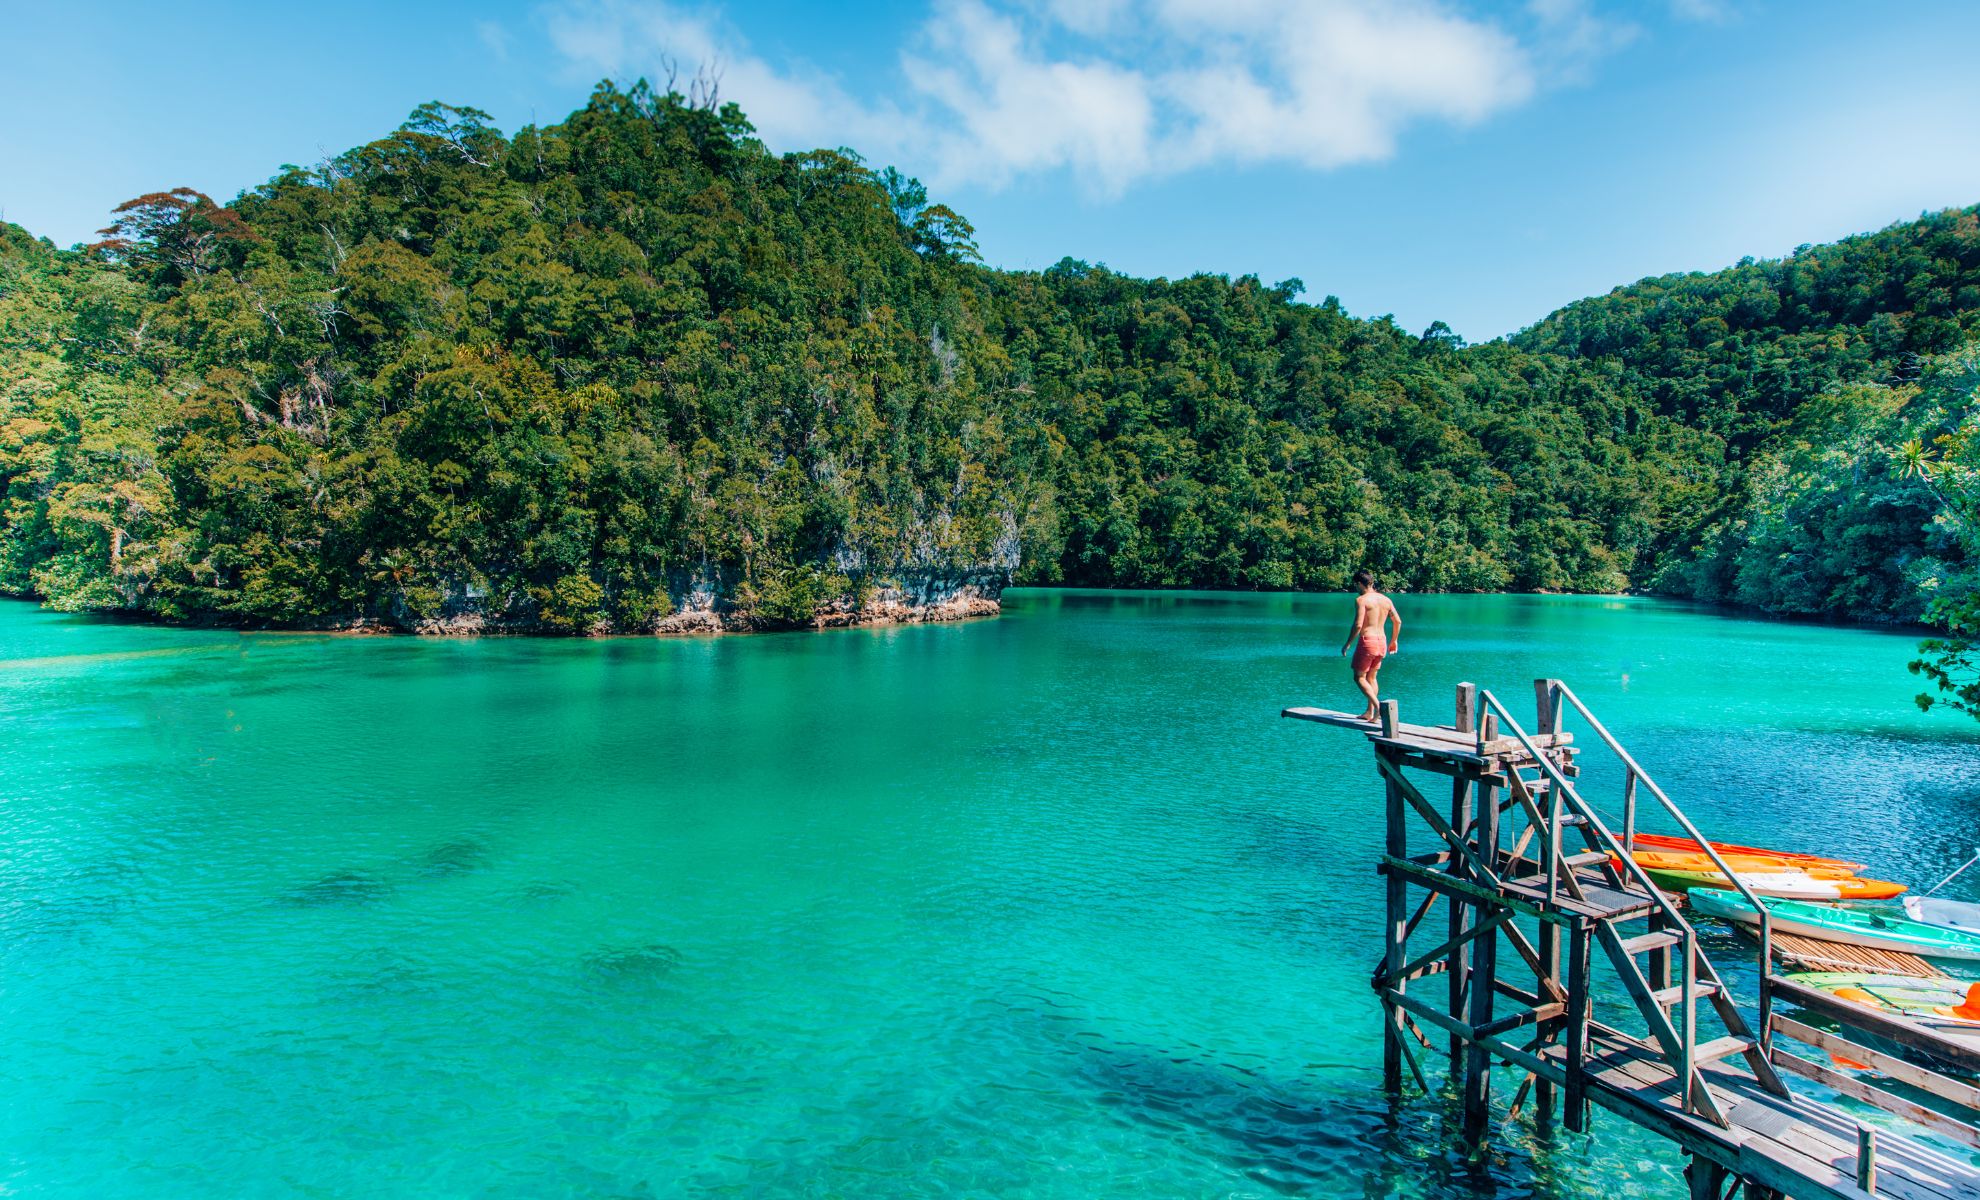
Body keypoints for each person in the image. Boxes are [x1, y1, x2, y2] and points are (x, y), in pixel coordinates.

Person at [1340, 570, 1400, 722]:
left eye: (1356, 585)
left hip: (1368, 641)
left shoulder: (1362, 600)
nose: (1356, 588)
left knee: (1359, 677)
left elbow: (1358, 624)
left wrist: (1348, 643)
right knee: (1371, 677)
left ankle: (1378, 708)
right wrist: (1394, 641)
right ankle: (1369, 712)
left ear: (1360, 583)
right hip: (1382, 642)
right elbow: (1397, 621)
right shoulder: (1386, 600)